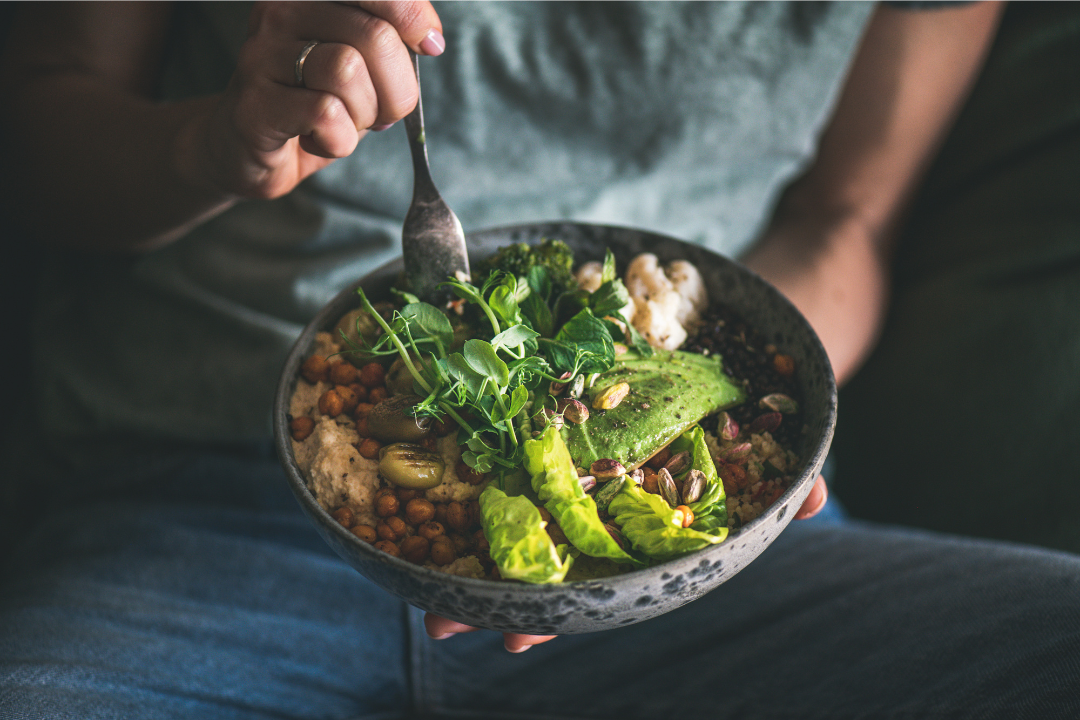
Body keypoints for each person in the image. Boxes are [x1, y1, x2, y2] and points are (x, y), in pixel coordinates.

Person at [2, 2, 1079, 718]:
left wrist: (747, 446)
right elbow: (38, 146)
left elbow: (850, 218)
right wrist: (215, 143)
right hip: (198, 508)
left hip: (702, 579)